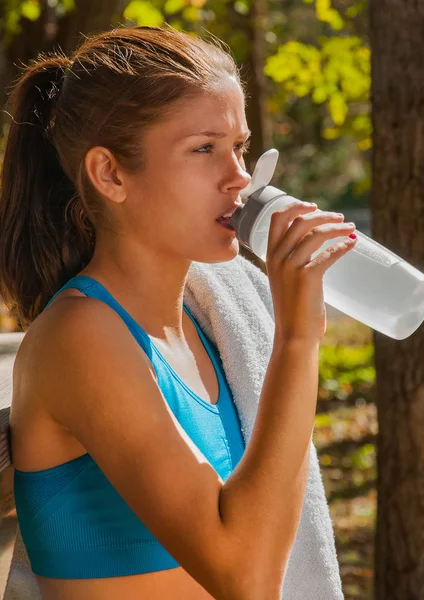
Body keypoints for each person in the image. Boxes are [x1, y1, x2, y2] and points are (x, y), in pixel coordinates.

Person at [0, 25, 356, 600]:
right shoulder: (81, 334)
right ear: (110, 174)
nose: (240, 178)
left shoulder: (202, 324)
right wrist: (297, 340)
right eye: (204, 148)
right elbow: (246, 579)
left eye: (239, 147)